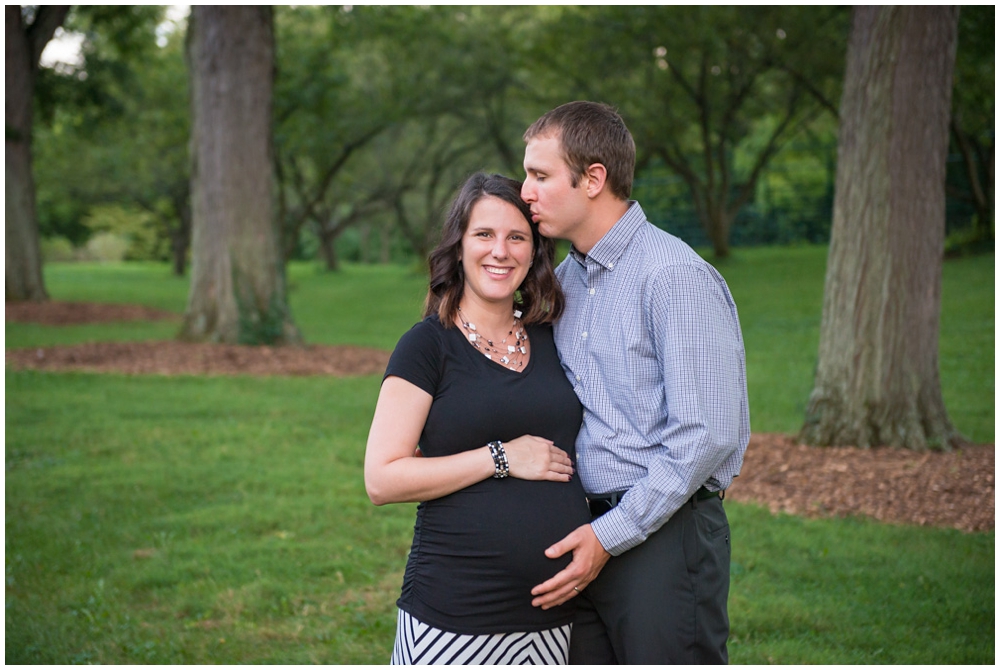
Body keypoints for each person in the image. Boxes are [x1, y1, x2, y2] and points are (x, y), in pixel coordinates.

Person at [520, 101, 751, 664]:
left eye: (540, 176)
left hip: (665, 539)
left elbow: (707, 436)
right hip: (581, 532)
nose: (525, 191)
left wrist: (612, 533)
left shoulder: (674, 276)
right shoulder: (565, 280)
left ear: (593, 179)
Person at [364, 172, 592, 665]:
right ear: (459, 245)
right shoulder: (427, 346)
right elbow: (382, 478)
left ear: (534, 252)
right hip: (455, 617)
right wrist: (502, 457)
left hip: (554, 620)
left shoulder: (556, 340)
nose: (500, 251)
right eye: (484, 235)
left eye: (517, 237)